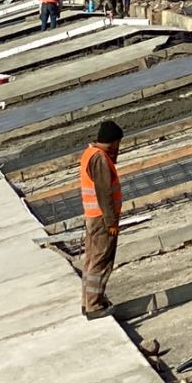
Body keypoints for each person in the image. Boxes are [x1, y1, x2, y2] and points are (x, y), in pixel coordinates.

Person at [79, 120, 125, 318]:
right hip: (101, 219)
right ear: (113, 142)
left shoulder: (90, 153)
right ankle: (94, 305)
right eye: (118, 143)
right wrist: (111, 222)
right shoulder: (99, 158)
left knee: (91, 260)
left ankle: (88, 301)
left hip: (93, 217)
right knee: (101, 261)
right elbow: (104, 193)